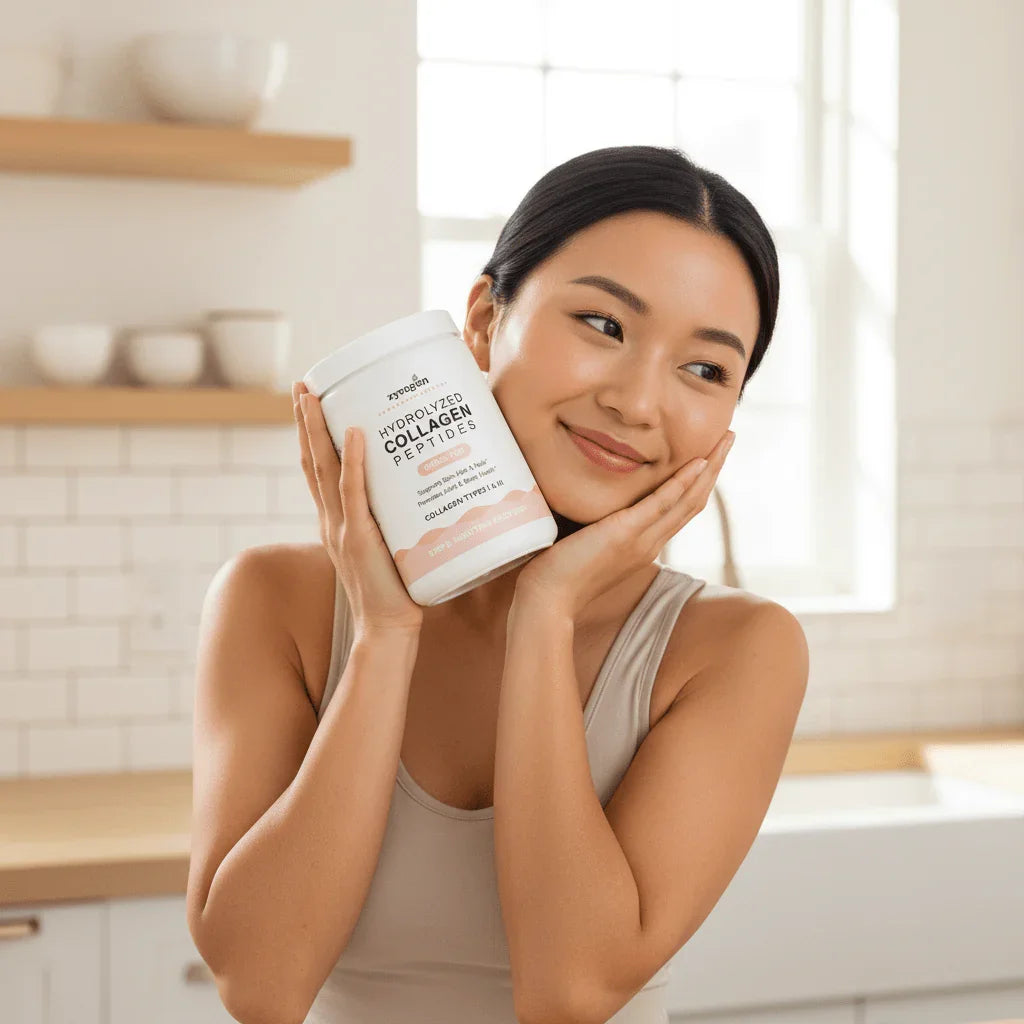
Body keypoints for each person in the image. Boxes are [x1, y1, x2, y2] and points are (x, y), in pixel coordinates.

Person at [185, 144, 809, 1024]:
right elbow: (259, 984)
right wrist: (383, 637)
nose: (638, 402)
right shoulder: (273, 602)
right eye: (603, 324)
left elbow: (569, 993)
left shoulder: (736, 651)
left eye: (704, 369)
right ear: (482, 319)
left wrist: (544, 614)